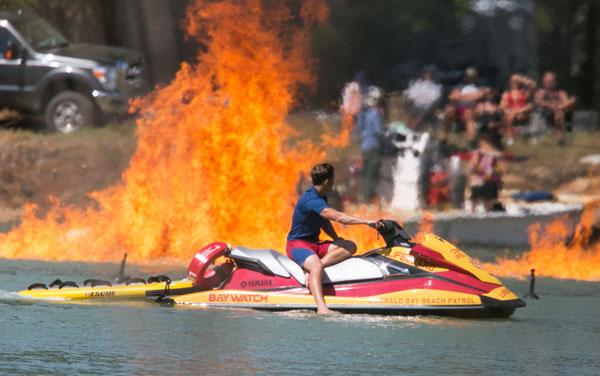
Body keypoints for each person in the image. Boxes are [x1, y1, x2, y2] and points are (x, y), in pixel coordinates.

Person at [286, 163, 379, 314]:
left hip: (315, 244)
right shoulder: (311, 199)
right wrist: (367, 222)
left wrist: (336, 238)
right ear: (327, 181)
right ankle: (321, 307)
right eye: (333, 178)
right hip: (297, 245)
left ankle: (313, 270)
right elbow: (338, 217)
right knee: (315, 266)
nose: (334, 181)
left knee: (350, 246)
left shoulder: (321, 196)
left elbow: (324, 221)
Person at [443, 67, 488, 143]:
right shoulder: (460, 86)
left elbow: (478, 96)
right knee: (449, 112)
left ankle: (470, 141)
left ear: (476, 77)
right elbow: (452, 96)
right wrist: (470, 96)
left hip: (471, 109)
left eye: (472, 76)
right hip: (458, 108)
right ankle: (445, 138)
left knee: (469, 114)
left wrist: (461, 96)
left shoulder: (480, 87)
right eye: (468, 76)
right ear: (465, 77)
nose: (470, 78)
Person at [356, 87, 384, 201]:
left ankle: (363, 196)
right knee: (373, 172)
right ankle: (370, 197)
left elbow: (359, 128)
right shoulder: (376, 113)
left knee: (364, 172)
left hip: (365, 146)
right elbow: (378, 131)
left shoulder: (364, 114)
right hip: (374, 146)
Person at [534, 71, 576, 145]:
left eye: (551, 81)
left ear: (555, 82)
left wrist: (569, 102)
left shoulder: (560, 93)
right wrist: (551, 105)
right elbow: (538, 102)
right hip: (545, 114)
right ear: (543, 82)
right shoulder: (541, 92)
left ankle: (561, 138)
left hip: (559, 114)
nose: (549, 83)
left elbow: (565, 101)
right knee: (560, 112)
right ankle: (561, 138)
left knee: (565, 110)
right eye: (547, 81)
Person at [468, 132, 504, 212]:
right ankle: (474, 212)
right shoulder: (478, 154)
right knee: (475, 199)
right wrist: (478, 169)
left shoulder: (496, 155)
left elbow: (500, 169)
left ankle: (488, 212)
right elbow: (472, 167)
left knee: (489, 200)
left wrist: (493, 174)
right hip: (479, 181)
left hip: (490, 180)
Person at [500, 74, 536, 146]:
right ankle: (510, 138)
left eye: (517, 81)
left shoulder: (525, 93)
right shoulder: (506, 94)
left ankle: (527, 135)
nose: (516, 82)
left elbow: (533, 85)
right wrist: (512, 112)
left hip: (522, 114)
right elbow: (502, 107)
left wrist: (523, 80)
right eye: (514, 81)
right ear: (510, 82)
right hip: (511, 115)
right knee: (510, 116)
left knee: (530, 106)